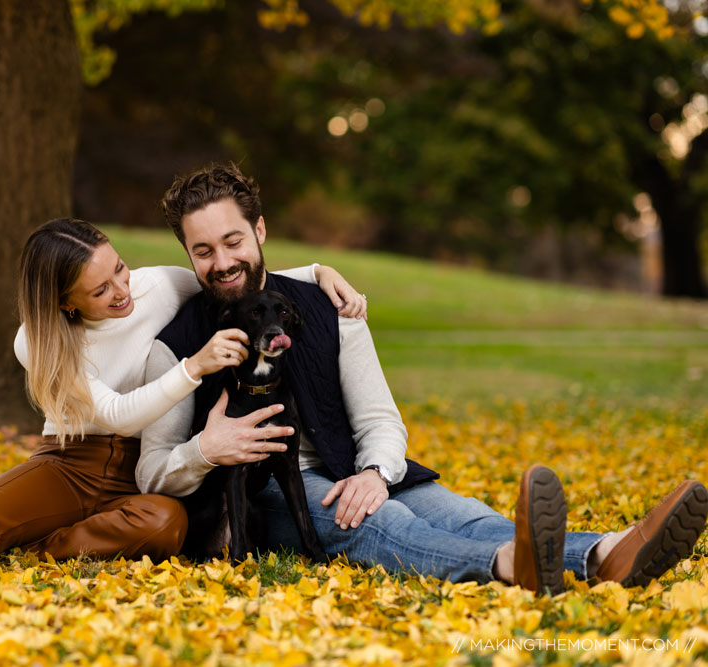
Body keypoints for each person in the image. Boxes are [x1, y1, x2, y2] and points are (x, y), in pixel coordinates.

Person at [136, 163, 708, 594]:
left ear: (259, 231)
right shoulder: (177, 345)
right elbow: (150, 471)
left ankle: (608, 551)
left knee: (463, 514)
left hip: (359, 468)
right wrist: (205, 451)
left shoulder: (329, 306)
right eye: (203, 250)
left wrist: (376, 471)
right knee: (383, 524)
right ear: (188, 254)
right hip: (271, 488)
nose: (222, 262)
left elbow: (380, 419)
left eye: (233, 241)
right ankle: (514, 566)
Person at [0, 217, 366, 596]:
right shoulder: (35, 340)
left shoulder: (159, 285)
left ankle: (44, 546)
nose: (122, 291)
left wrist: (318, 271)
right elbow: (114, 414)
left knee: (164, 525)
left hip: (140, 471)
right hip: (72, 461)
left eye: (120, 269)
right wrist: (193, 367)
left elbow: (236, 280)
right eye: (99, 290)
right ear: (66, 302)